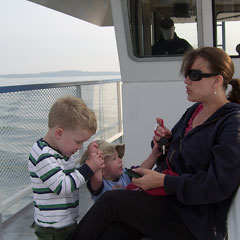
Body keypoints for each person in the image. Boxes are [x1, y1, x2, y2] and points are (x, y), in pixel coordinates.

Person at [68, 47, 240, 240]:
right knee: (115, 232)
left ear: (217, 80)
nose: (186, 81)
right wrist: (163, 142)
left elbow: (218, 185)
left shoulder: (233, 122)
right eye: (186, 74)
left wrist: (163, 181)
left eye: (194, 75)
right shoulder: (195, 111)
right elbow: (176, 154)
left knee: (111, 201)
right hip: (171, 201)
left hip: (195, 219)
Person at [28, 95, 104, 240]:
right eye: (78, 141)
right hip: (53, 230)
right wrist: (89, 167)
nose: (80, 147)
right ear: (59, 133)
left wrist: (89, 158)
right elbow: (63, 185)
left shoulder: (60, 150)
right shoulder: (43, 155)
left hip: (64, 223)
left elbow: (71, 176)